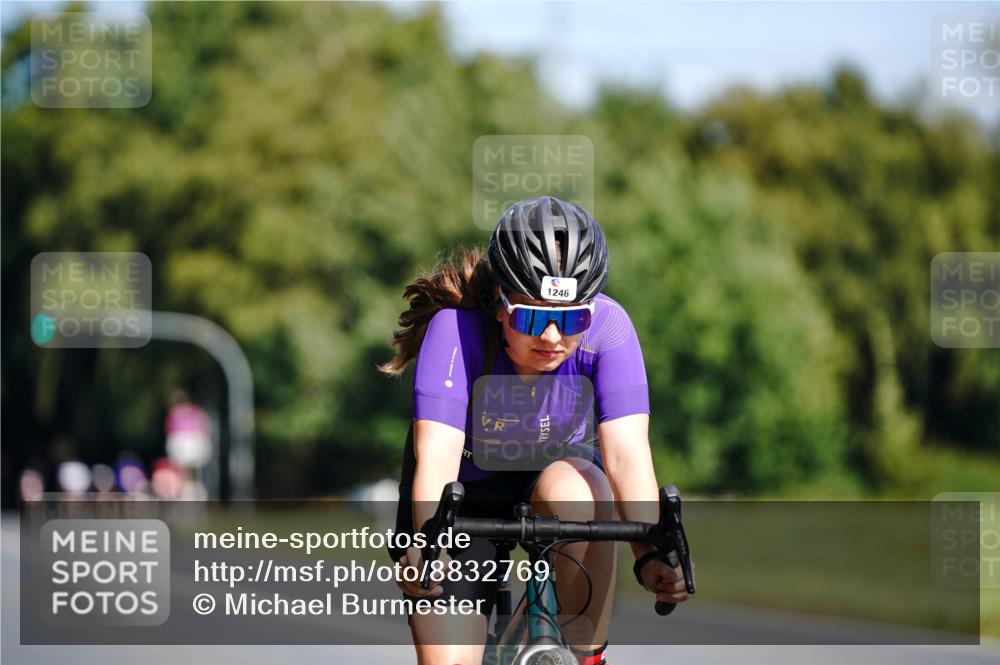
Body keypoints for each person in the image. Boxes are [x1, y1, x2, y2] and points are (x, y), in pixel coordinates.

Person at [381, 196, 692, 665]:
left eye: (572, 320)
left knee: (586, 490)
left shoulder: (610, 329)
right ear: (499, 305)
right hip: (462, 499)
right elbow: (438, 458)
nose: (551, 336)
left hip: (550, 484)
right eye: (531, 316)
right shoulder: (455, 332)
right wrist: (429, 545)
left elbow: (628, 457)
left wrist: (650, 552)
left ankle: (584, 654)